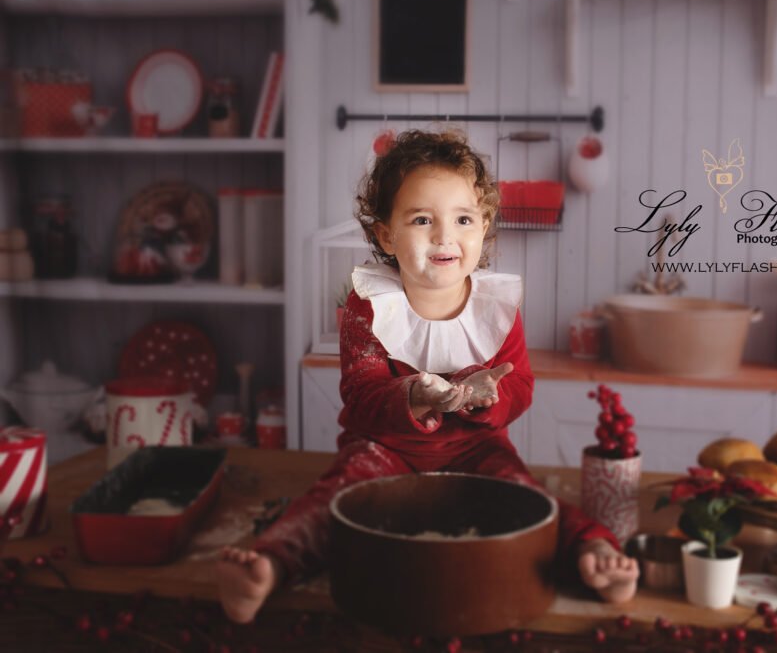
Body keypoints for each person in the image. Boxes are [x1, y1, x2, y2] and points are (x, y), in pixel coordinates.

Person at [217, 129, 638, 624]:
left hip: (476, 450)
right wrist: (414, 396)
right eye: (422, 219)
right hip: (383, 448)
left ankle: (592, 552)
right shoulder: (369, 307)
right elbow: (361, 395)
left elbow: (520, 386)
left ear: (484, 228)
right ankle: (268, 566)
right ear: (386, 236)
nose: (444, 235)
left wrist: (487, 395)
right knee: (333, 503)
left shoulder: (496, 309)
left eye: (463, 219)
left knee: (526, 498)